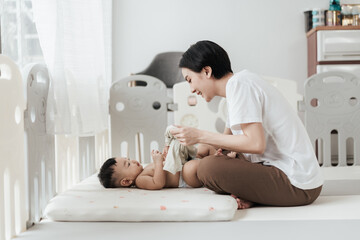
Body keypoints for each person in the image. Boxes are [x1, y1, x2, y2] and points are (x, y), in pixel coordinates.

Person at [170, 40, 323, 209]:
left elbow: (255, 144)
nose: (191, 89)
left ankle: (252, 194)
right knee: (212, 158)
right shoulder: (237, 89)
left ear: (207, 71)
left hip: (297, 182)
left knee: (207, 168)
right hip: (282, 172)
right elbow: (225, 142)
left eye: (190, 80)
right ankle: (253, 195)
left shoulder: (239, 85)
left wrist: (199, 135)